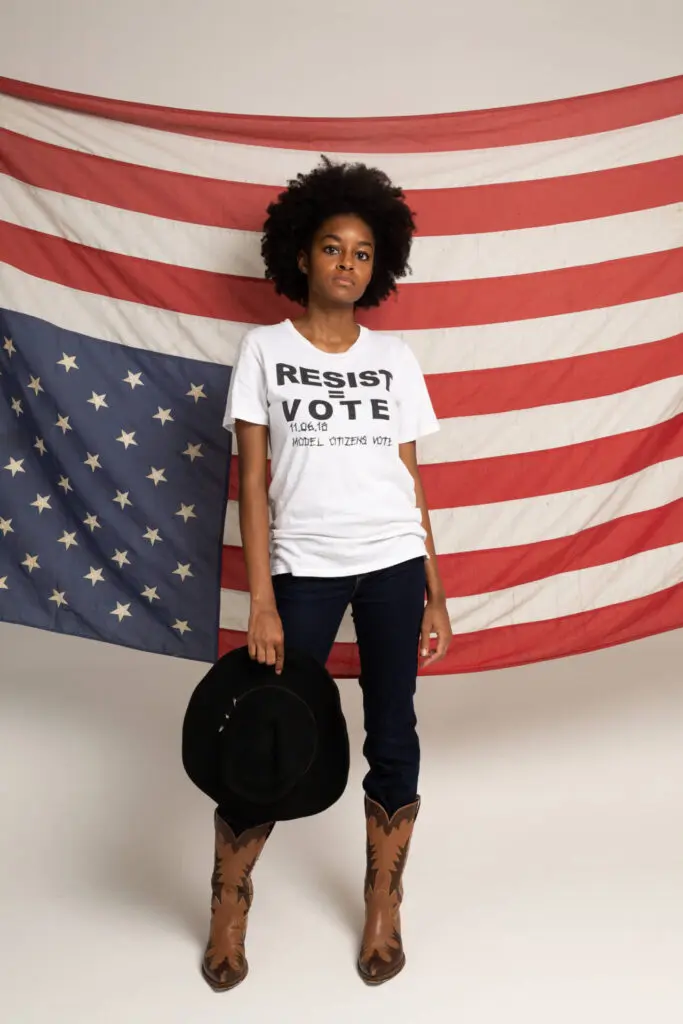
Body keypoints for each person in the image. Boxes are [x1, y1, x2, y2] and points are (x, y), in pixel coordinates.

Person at [202, 157, 452, 991]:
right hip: (302, 569)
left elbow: (411, 477)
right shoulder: (263, 349)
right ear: (300, 256)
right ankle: (229, 905)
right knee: (268, 737)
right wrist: (262, 600)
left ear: (377, 268)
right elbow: (249, 479)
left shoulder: (396, 358)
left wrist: (434, 592)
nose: (347, 263)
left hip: (391, 563)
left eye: (362, 252)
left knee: (394, 731)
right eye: (332, 247)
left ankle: (383, 904)